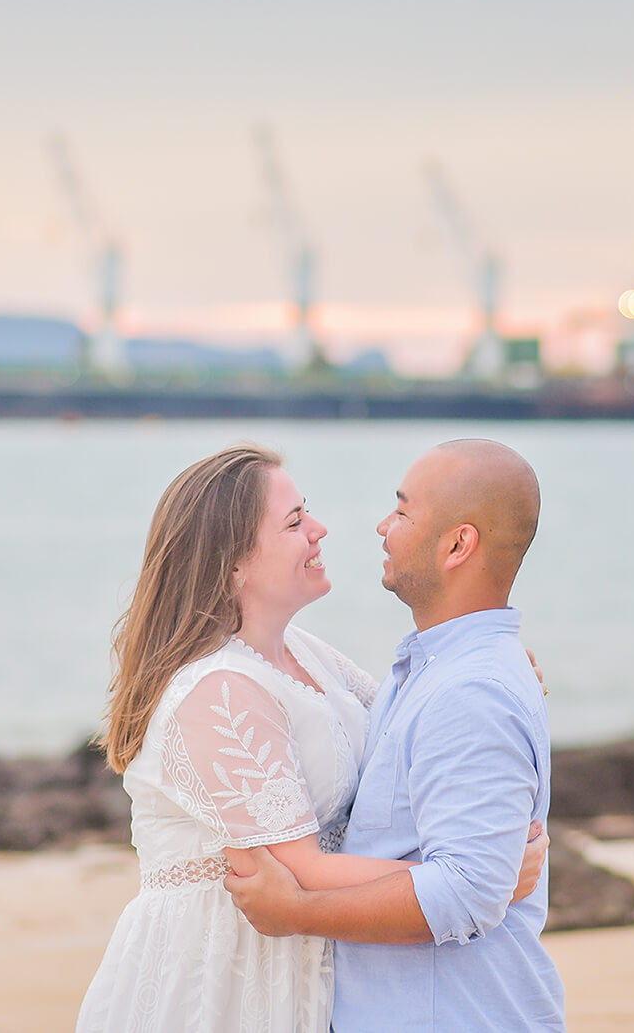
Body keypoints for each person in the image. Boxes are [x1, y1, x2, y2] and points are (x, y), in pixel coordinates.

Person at [75, 443, 546, 1033]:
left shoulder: (309, 657)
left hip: (303, 962)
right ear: (232, 564)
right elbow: (297, 866)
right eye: (295, 522)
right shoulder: (219, 689)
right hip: (222, 976)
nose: (320, 529)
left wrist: (483, 661)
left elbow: (406, 733)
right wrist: (483, 880)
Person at [225, 439, 565, 1032]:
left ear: (458, 544)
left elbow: (466, 892)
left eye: (403, 512)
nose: (384, 527)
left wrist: (298, 912)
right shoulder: (434, 673)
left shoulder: (470, 691)